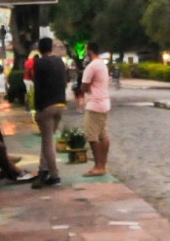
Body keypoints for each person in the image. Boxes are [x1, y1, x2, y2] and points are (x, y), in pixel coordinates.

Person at [29, 36, 70, 188]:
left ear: (39, 49)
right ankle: (43, 169)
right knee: (48, 139)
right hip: (60, 104)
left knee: (47, 142)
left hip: (46, 106)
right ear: (51, 48)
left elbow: (38, 85)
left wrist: (37, 109)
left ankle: (54, 175)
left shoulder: (38, 63)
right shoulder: (59, 61)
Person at [76, 42, 113, 176]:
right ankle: (103, 165)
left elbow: (84, 86)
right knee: (103, 135)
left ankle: (98, 166)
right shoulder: (102, 64)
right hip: (104, 103)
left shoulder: (91, 66)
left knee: (91, 136)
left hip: (94, 104)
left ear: (89, 51)